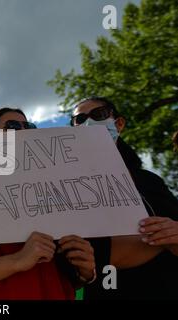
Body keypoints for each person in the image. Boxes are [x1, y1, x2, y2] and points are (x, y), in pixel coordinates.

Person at [0, 107, 96, 300]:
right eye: (13, 126)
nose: (23, 131)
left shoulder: (57, 190)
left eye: (29, 127)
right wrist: (19, 260)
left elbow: (66, 278)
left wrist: (85, 272)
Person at [70, 97, 178, 299]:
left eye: (99, 115)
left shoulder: (149, 181)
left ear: (118, 124)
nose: (89, 123)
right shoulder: (65, 185)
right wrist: (158, 243)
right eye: (80, 119)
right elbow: (82, 256)